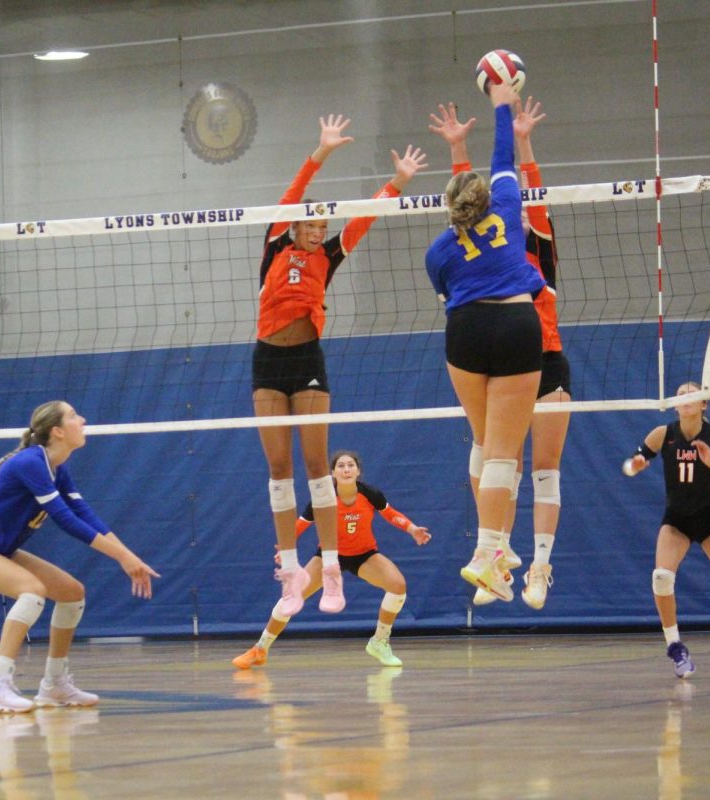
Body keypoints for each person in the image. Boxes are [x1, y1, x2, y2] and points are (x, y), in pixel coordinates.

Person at [255, 113, 427, 620]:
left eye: (322, 227)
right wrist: (322, 150)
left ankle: (330, 569)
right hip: (267, 359)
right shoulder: (273, 244)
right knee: (278, 468)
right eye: (311, 224)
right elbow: (292, 191)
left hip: (307, 359)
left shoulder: (328, 255)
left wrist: (396, 183)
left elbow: (362, 221)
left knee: (316, 467)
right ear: (296, 225)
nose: (318, 232)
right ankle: (291, 570)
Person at [429, 97, 570, 610]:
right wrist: (474, 140)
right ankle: (496, 549)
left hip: (540, 354)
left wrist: (523, 139)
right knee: (495, 450)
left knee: (534, 463)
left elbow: (470, 200)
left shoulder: (535, 238)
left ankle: (536, 566)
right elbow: (484, 191)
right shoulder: (504, 223)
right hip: (518, 338)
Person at [0, 400, 160, 713]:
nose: (83, 420)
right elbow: (66, 520)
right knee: (32, 591)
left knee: (72, 594)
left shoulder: (57, 468)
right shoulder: (30, 462)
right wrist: (121, 558)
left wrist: (128, 556)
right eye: (74, 416)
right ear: (57, 431)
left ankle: (55, 685)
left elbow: (84, 514)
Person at [232, 450, 431, 669]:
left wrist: (413, 529)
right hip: (328, 556)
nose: (346, 470)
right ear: (332, 473)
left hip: (364, 555)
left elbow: (391, 513)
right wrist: (285, 548)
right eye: (341, 466)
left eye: (350, 465)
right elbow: (300, 524)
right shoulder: (323, 499)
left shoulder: (370, 494)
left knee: (398, 585)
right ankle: (260, 649)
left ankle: (379, 642)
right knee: (292, 595)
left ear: (358, 471)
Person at [622, 382, 710, 678]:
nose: (686, 399)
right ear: (675, 405)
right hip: (677, 521)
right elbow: (628, 466)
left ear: (704, 404)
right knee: (661, 578)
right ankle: (675, 647)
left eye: (693, 395)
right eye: (681, 395)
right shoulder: (662, 434)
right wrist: (634, 466)